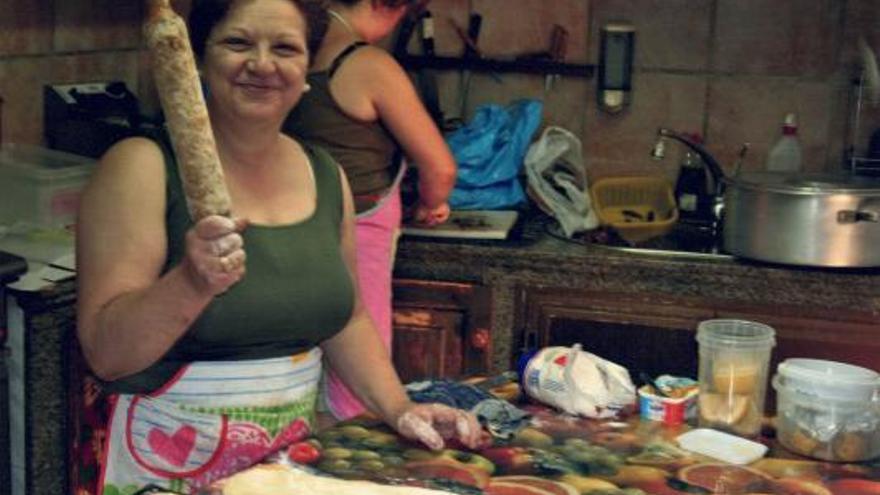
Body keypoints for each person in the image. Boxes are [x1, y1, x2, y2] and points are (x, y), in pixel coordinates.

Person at [75, 0, 479, 493]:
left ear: (307, 70)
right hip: (162, 469)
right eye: (238, 43)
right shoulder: (141, 166)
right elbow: (106, 353)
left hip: (279, 472)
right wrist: (190, 283)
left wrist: (399, 408)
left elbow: (347, 319)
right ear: (200, 59)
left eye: (285, 48)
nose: (262, 64)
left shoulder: (326, 175)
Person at [283, 0, 457, 420]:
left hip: (290, 223)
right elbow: (440, 166)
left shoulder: (296, 49)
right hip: (358, 228)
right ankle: (352, 451)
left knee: (303, 357)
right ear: (385, 6)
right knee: (361, 357)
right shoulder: (368, 65)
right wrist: (431, 204)